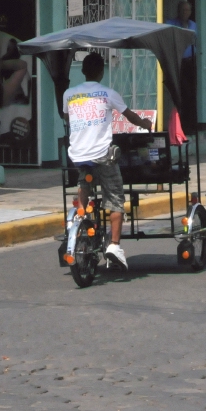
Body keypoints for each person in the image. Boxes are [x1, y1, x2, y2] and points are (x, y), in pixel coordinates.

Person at [63, 52, 152, 268]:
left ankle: (81, 219)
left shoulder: (69, 94)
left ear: (83, 71)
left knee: (84, 181)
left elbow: (67, 118)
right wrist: (146, 124)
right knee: (115, 197)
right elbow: (129, 116)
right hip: (102, 155)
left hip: (77, 155)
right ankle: (114, 245)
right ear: (102, 72)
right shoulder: (109, 93)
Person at [166, 1, 199, 133]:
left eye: (188, 10)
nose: (185, 13)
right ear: (178, 11)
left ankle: (191, 125)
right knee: (180, 93)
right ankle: (180, 126)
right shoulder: (171, 23)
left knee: (190, 93)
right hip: (177, 62)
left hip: (190, 62)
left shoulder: (193, 25)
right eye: (183, 10)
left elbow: (193, 40)